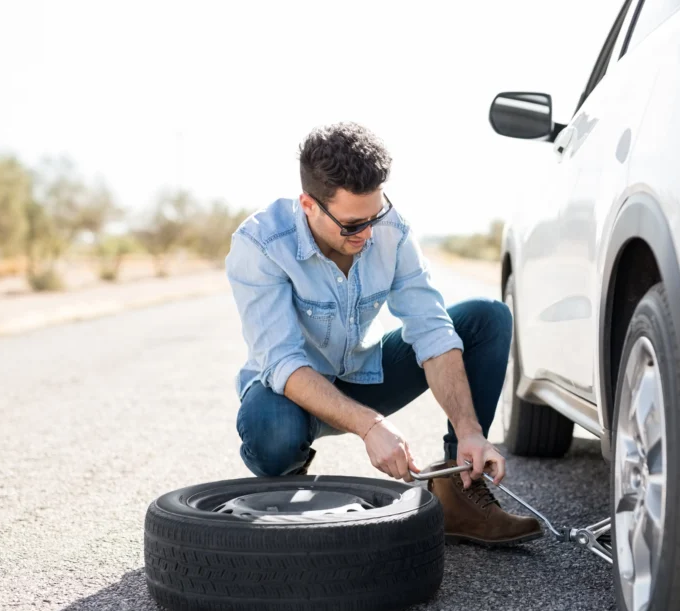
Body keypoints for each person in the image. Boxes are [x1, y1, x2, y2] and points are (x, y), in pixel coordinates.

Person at [225, 122, 541, 547]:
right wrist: (371, 428)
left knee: (487, 318)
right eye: (354, 225)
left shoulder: (390, 229)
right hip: (290, 395)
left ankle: (458, 493)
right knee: (272, 430)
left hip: (364, 373)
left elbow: (430, 329)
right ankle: (286, 490)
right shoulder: (260, 243)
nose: (368, 233)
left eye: (374, 216)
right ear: (309, 205)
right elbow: (283, 363)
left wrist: (470, 430)